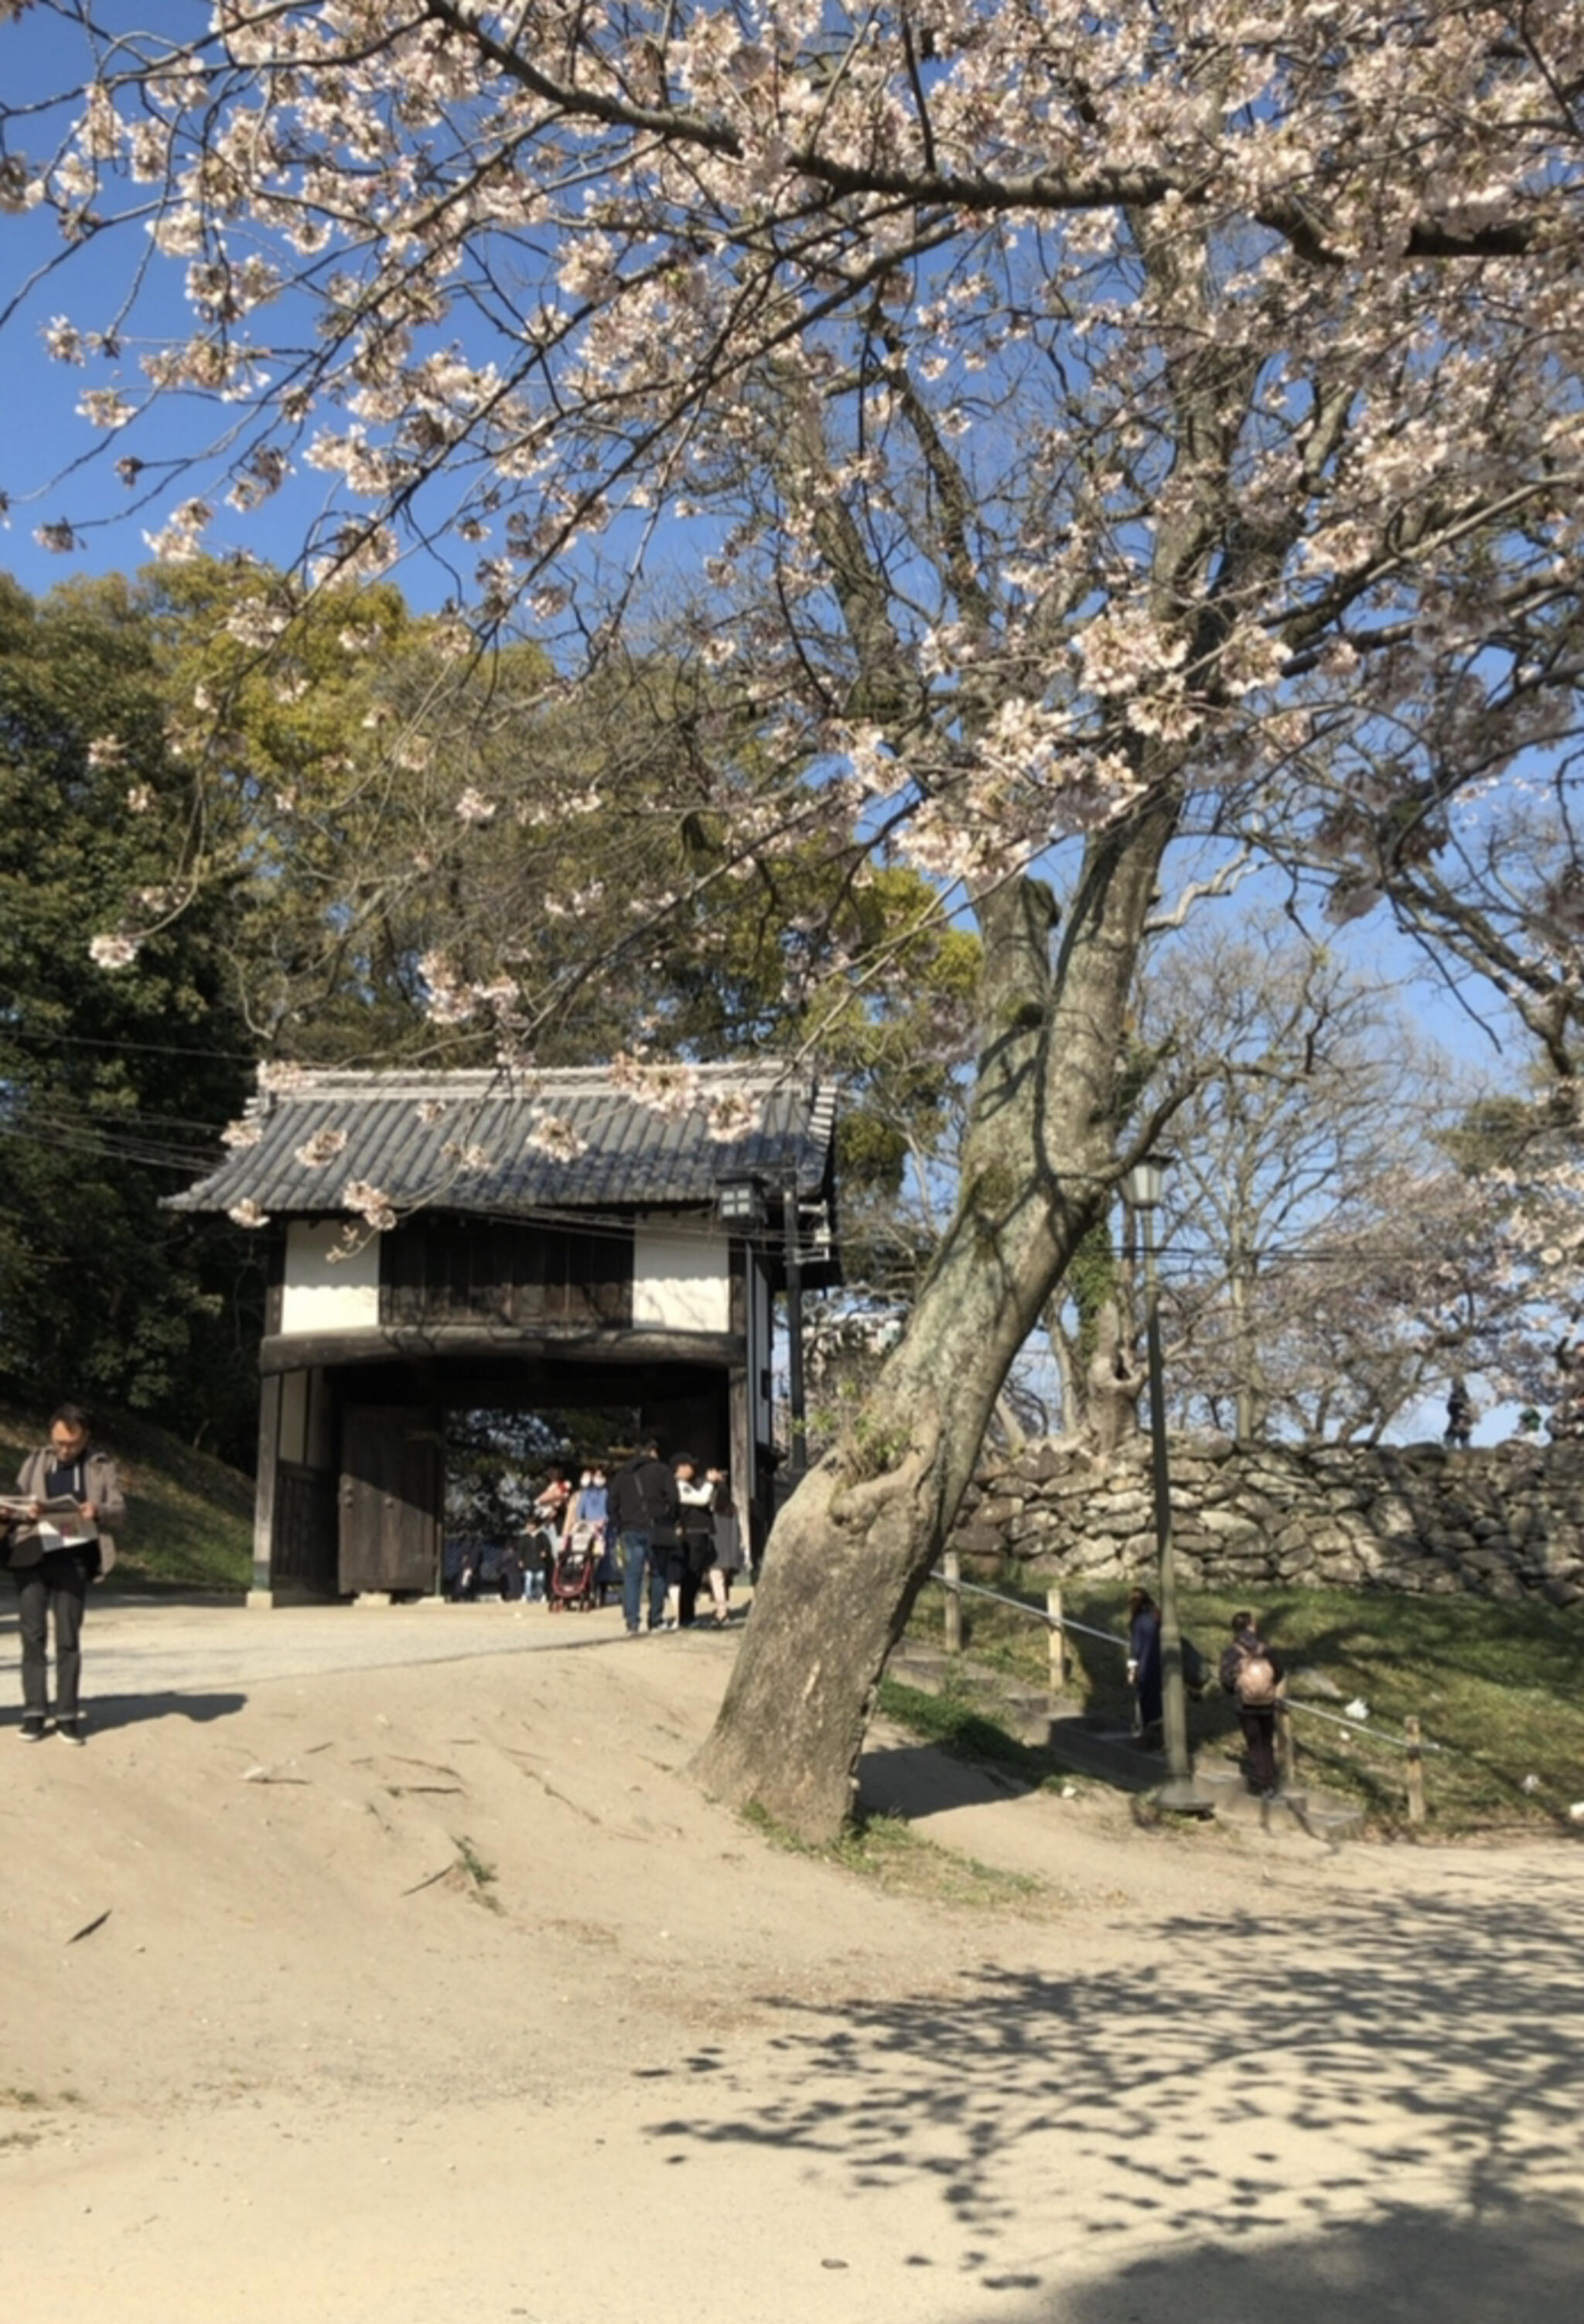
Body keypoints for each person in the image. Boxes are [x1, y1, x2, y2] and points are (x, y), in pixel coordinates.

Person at [5, 1403, 125, 1744]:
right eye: (59, 1442)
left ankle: (68, 1715)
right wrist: (23, 1510)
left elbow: (120, 1510)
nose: (65, 1449)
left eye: (71, 1443)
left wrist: (96, 1510)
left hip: (73, 1558)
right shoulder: (36, 1461)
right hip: (32, 1555)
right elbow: (17, 1499)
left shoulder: (100, 1467)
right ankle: (34, 1712)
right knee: (32, 1636)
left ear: (85, 1436)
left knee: (68, 1639)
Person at [609, 1438, 679, 1635]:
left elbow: (611, 1504)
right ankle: (655, 1619)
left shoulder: (622, 1475)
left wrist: (620, 1524)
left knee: (632, 1576)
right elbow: (674, 1499)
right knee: (658, 1573)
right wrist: (669, 1519)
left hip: (630, 1529)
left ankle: (632, 1622)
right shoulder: (661, 1471)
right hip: (656, 1528)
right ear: (653, 1452)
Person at [1220, 1609, 1285, 1798]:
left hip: (1245, 1704)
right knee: (1266, 1740)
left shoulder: (1232, 1651)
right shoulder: (1265, 1649)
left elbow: (1226, 1679)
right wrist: (1269, 1686)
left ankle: (1258, 1781)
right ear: (1251, 1626)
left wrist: (1237, 1690)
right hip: (1266, 1702)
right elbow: (1279, 1671)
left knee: (1254, 1741)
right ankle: (1270, 1781)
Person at [671, 1454, 719, 1628]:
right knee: (691, 1576)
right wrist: (709, 1483)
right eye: (690, 1466)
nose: (692, 1470)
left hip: (699, 1533)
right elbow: (701, 1499)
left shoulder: (689, 1485)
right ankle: (686, 1617)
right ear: (681, 1467)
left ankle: (689, 1615)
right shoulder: (679, 1486)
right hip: (692, 1534)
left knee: (695, 1576)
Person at [1125, 1585, 1162, 1742]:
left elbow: (1137, 1647)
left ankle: (1146, 1733)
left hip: (1145, 1666)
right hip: (1161, 1665)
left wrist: (1132, 1669)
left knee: (1145, 1701)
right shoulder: (1157, 1618)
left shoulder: (1138, 1621)